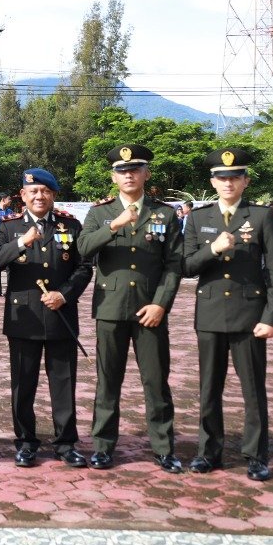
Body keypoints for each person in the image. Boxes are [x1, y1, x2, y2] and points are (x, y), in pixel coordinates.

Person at [77, 144, 183, 473]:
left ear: (145, 173)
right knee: (108, 381)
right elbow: (83, 248)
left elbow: (174, 265)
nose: (128, 175)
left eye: (135, 169)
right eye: (122, 171)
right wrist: (115, 225)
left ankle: (164, 448)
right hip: (110, 308)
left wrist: (161, 304)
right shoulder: (100, 213)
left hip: (149, 309)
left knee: (156, 381)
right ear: (113, 177)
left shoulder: (164, 213)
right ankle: (103, 447)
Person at [0, 168, 93, 468]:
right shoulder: (10, 228)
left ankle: (66, 442)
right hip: (24, 317)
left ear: (53, 195)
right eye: (33, 191)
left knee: (64, 382)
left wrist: (64, 294)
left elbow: (84, 268)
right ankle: (26, 442)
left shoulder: (70, 226)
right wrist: (22, 243)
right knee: (23, 383)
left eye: (45, 191)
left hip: (61, 314)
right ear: (23, 196)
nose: (39, 196)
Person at [182, 148, 273, 481]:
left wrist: (271, 316)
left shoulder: (262, 217)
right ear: (213, 181)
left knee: (252, 388)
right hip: (209, 314)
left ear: (245, 181)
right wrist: (213, 249)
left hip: (250, 316)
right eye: (222, 177)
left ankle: (255, 454)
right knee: (209, 388)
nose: (228, 182)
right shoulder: (197, 218)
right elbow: (186, 265)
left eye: (235, 177)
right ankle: (209, 452)